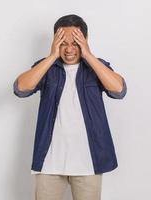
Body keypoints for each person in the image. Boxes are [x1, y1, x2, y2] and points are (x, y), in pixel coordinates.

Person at [13, 14, 127, 200]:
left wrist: (88, 55)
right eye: (63, 43)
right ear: (55, 42)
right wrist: (52, 56)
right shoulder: (46, 67)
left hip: (88, 163)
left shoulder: (96, 67)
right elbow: (20, 89)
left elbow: (119, 90)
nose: (69, 49)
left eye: (75, 43)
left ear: (85, 40)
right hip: (49, 163)